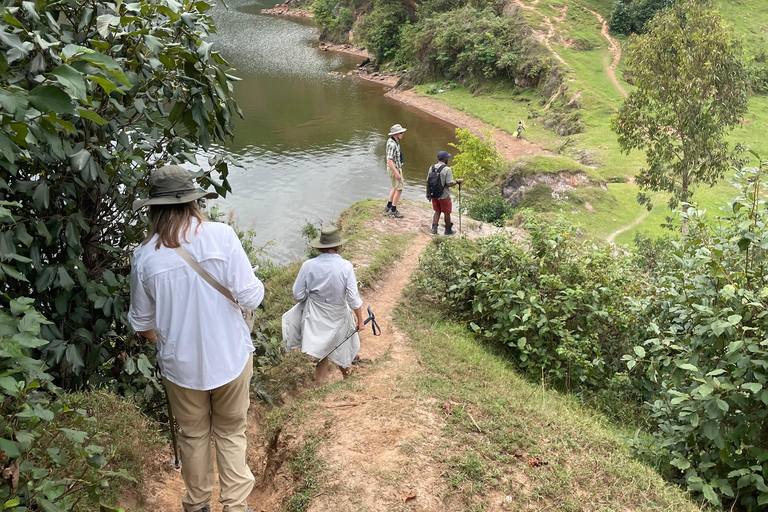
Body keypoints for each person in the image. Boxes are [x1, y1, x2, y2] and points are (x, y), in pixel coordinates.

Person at [129, 165, 264, 512]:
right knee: (232, 431)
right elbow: (251, 297)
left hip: (180, 367)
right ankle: (235, 506)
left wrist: (173, 340)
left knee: (193, 435)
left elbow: (143, 325)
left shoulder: (143, 256)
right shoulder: (222, 235)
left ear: (154, 208)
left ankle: (197, 503)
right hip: (231, 356)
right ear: (194, 202)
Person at [283, 226, 365, 386]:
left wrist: (312, 298)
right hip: (339, 314)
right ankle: (348, 381)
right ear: (338, 245)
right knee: (342, 348)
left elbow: (297, 294)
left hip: (315, 315)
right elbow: (353, 298)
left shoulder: (308, 265)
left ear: (321, 246)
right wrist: (360, 319)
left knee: (321, 351)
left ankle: (319, 384)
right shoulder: (345, 266)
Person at [426, 151, 464, 236]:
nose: (448, 159)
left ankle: (434, 230)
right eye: (447, 157)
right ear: (443, 159)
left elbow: (428, 182)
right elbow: (448, 184)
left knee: (437, 211)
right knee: (447, 213)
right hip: (444, 195)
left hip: (434, 194)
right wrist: (457, 182)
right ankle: (448, 230)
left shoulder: (432, 167)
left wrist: (428, 193)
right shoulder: (447, 169)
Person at [384, 123, 406, 218]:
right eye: (401, 132)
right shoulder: (392, 144)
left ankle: (389, 206)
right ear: (396, 134)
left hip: (396, 167)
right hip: (394, 169)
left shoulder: (394, 141)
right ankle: (393, 210)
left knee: (395, 186)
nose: (402, 134)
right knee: (399, 189)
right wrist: (396, 172)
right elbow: (389, 160)